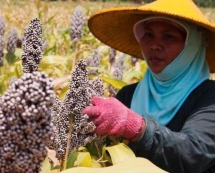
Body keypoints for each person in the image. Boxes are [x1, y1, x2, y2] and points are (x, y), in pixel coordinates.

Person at [82, 0, 215, 172]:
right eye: (148, 35)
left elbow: (193, 154)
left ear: (192, 45)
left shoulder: (209, 98)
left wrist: (137, 128)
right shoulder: (128, 95)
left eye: (169, 36)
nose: (154, 45)